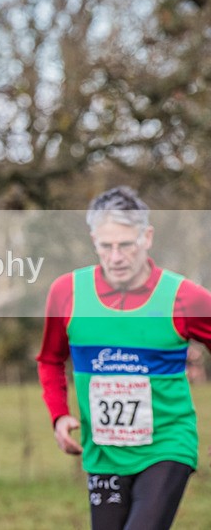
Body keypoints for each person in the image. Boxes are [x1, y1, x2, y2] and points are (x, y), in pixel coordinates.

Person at [37, 186, 211, 530]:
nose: (116, 257)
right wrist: (59, 416)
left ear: (146, 237)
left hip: (167, 444)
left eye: (126, 245)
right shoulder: (67, 292)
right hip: (103, 451)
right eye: (106, 246)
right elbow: (50, 359)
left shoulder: (184, 297)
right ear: (93, 240)